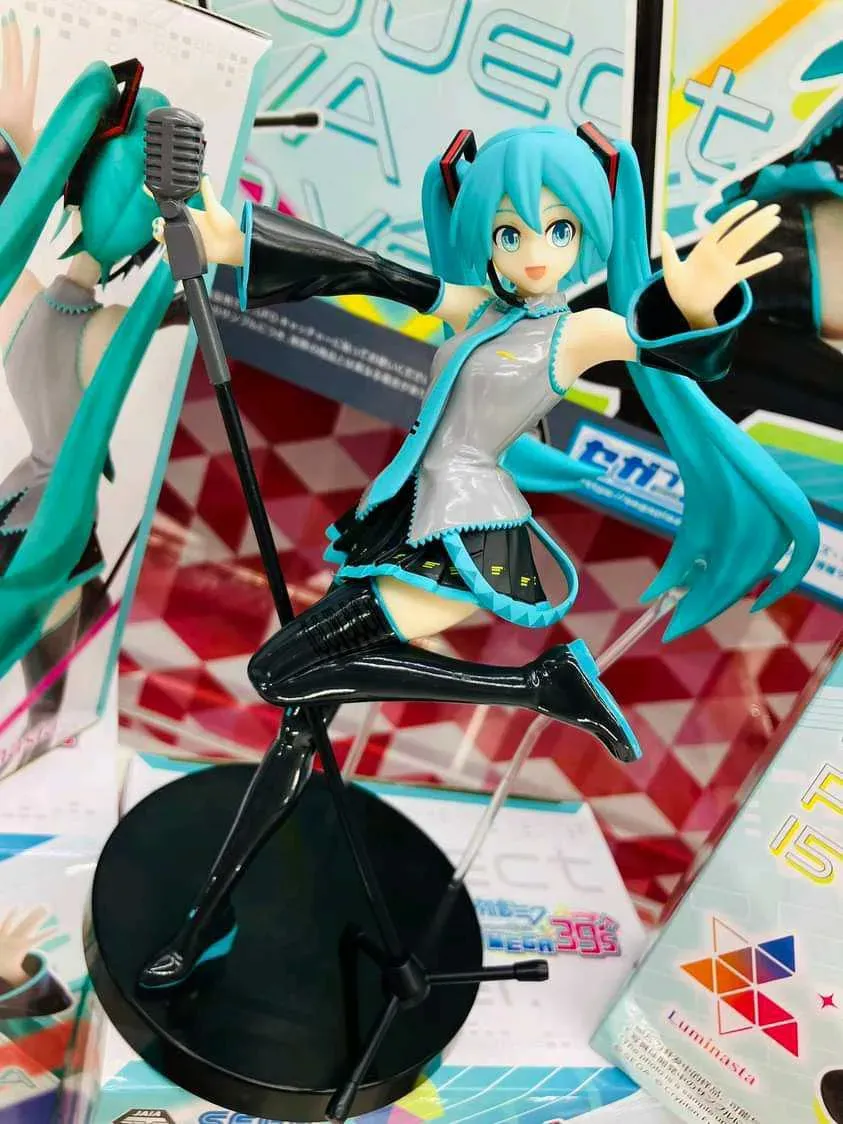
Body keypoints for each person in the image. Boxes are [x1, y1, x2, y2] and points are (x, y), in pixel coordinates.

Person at [139, 122, 819, 989]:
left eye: (559, 229)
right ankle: (208, 918)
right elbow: (375, 273)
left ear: (589, 236)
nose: (535, 252)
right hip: (401, 523)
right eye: (510, 230)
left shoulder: (577, 331)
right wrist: (240, 243)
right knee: (300, 724)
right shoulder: (482, 311)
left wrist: (684, 307)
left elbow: (647, 339)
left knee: (277, 673)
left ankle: (538, 684)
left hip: (456, 541)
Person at [0, 16, 179, 748]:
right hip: (52, 520)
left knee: (63, 656)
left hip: (22, 501)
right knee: (51, 681)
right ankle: (49, 736)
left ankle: (53, 734)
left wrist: (25, 143)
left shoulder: (26, 305)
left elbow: (15, 227)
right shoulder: (105, 328)